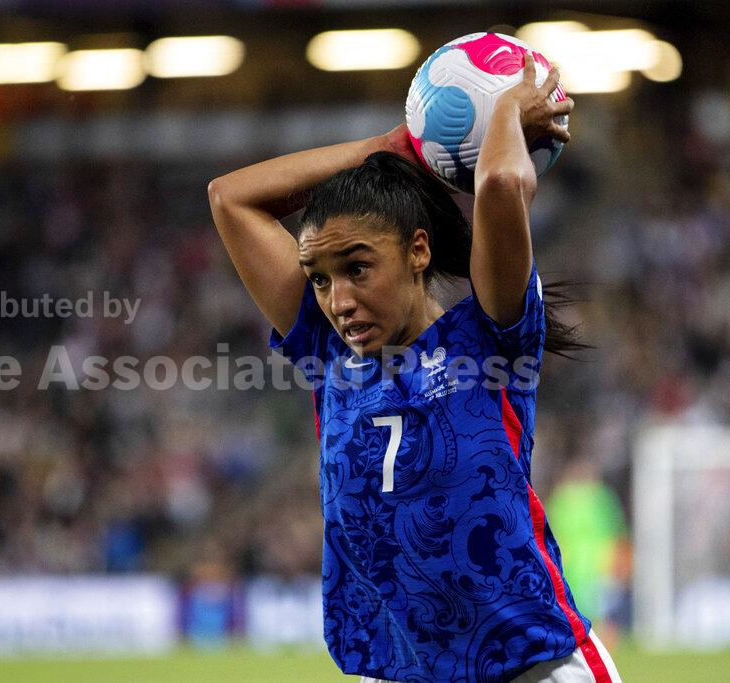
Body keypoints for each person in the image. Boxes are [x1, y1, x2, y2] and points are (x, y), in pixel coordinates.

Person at [207, 52, 621, 682]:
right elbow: (230, 197)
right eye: (318, 278)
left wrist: (503, 108)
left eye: (358, 267)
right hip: (396, 671)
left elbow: (502, 186)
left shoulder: (489, 339)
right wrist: (394, 145)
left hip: (531, 667)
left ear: (418, 250)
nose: (338, 300)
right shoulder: (329, 356)